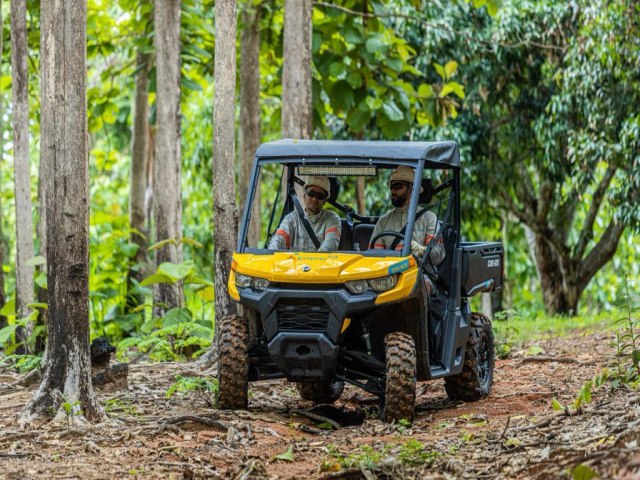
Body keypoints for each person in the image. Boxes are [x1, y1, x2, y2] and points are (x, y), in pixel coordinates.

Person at [371, 165, 443, 264]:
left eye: (398, 186)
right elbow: (373, 256)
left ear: (412, 188)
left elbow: (438, 257)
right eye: (391, 187)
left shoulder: (428, 218)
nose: (393, 191)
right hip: (389, 276)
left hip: (420, 275)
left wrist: (422, 250)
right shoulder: (383, 221)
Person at [268, 175, 341, 251]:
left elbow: (330, 244)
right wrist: (271, 252)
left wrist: (315, 261)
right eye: (311, 194)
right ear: (304, 195)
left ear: (324, 201)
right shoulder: (291, 219)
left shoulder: (332, 218)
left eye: (319, 196)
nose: (314, 199)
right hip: (295, 262)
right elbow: (279, 239)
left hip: (322, 262)